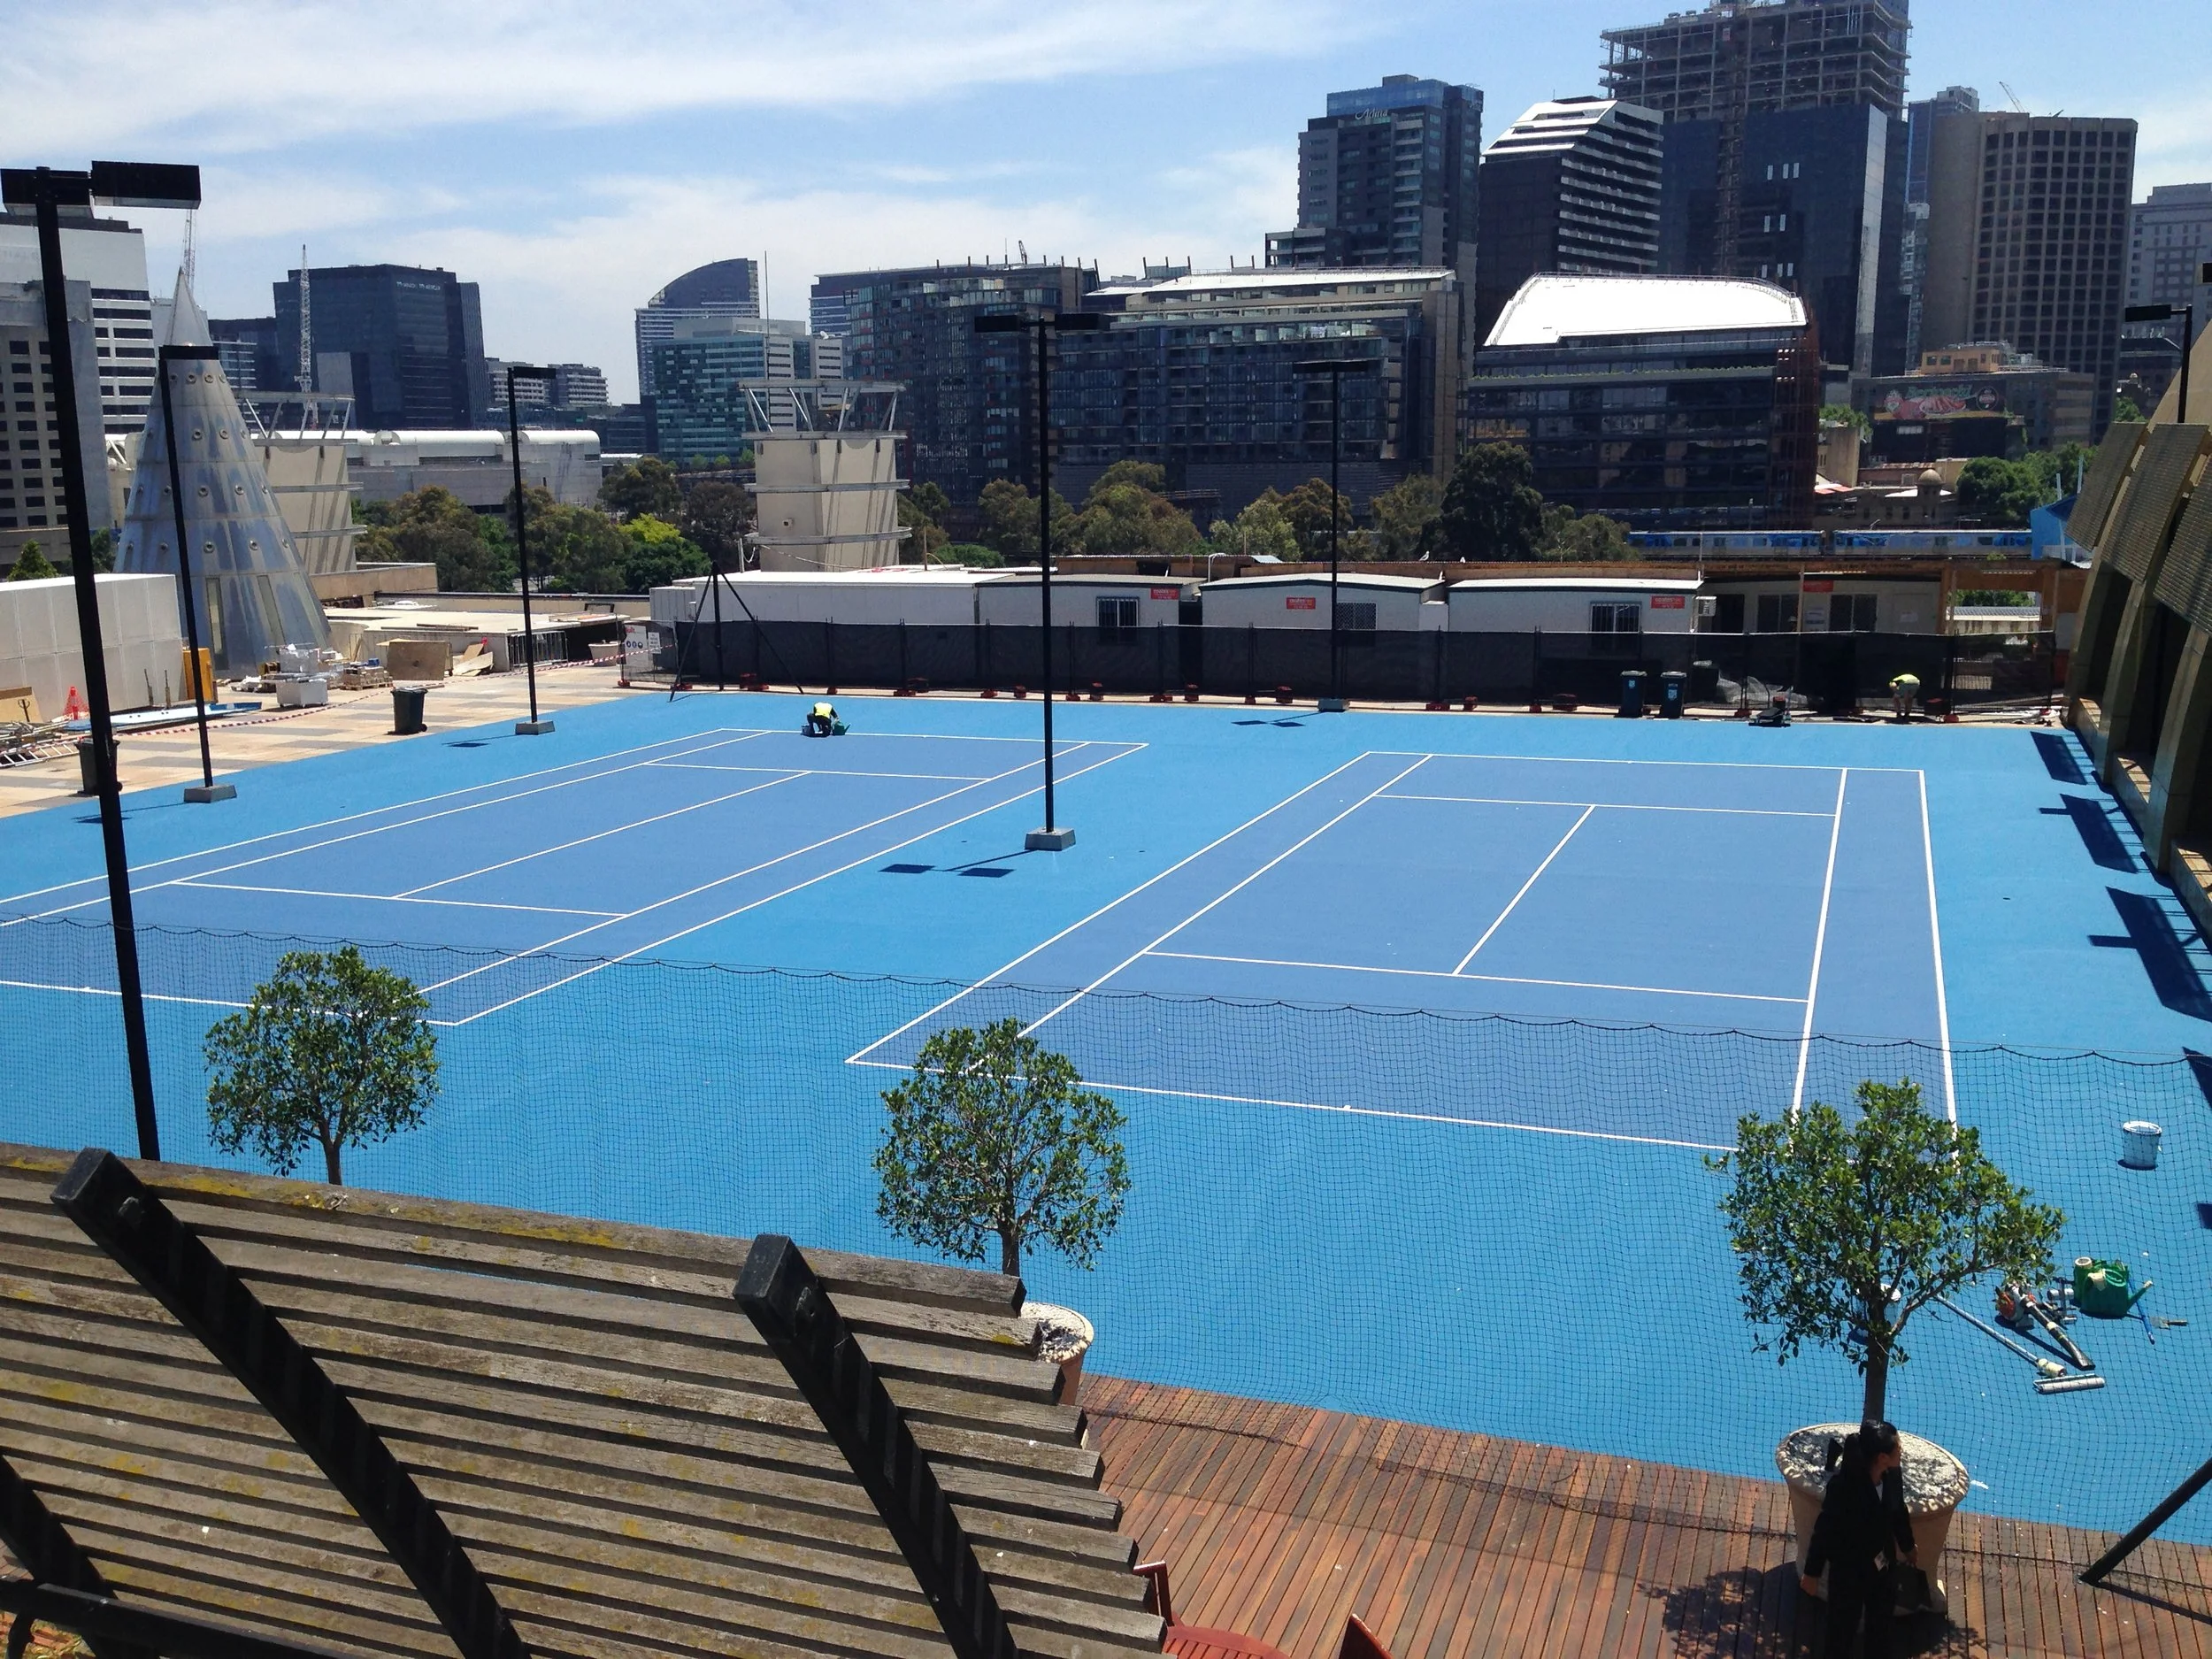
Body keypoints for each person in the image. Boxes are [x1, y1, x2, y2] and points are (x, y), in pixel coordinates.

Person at [1801, 1420, 1917, 1657]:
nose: (1901, 1451)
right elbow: (1824, 1530)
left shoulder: (1893, 1476)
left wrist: (1908, 1546)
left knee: (1880, 1633)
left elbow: (1897, 1512)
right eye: (1898, 1448)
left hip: (1882, 1569)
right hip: (1848, 1573)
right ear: (1883, 1457)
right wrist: (1812, 1573)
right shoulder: (1844, 1488)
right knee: (1840, 1634)